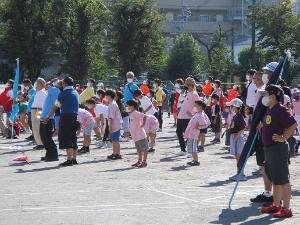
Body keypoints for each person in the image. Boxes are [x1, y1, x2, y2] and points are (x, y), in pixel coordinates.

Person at [259, 85, 296, 218]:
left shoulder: (280, 109)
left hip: (278, 148)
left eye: (265, 94)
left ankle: (286, 208)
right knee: (275, 178)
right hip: (270, 148)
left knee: (283, 178)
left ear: (273, 96)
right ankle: (276, 205)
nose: (263, 97)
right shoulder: (270, 109)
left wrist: (284, 137)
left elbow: (292, 124)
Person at [45, 77, 79, 167]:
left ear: (65, 84)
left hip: (66, 116)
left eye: (62, 83)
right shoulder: (75, 92)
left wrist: (48, 116)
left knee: (66, 137)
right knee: (73, 136)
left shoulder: (63, 93)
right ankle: (74, 159)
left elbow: (56, 106)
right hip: (75, 116)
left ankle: (69, 160)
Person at [176, 77, 200, 155]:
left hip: (187, 118)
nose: (185, 86)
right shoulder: (187, 93)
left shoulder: (194, 94)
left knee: (189, 134)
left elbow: (199, 106)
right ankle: (183, 150)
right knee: (179, 132)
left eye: (186, 84)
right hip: (180, 117)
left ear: (190, 85)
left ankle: (190, 151)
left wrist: (193, 114)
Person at [39, 79, 61, 162]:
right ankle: (49, 154)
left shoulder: (55, 90)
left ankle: (53, 155)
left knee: (47, 137)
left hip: (48, 117)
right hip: (45, 116)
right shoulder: (51, 91)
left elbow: (45, 85)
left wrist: (49, 82)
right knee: (43, 137)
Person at [184, 100, 211, 166]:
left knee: (193, 148)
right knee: (192, 148)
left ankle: (196, 161)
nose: (195, 107)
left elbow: (205, 124)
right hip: (191, 133)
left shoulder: (201, 114)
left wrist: (198, 126)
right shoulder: (198, 113)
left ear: (200, 107)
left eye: (196, 106)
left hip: (194, 134)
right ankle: (194, 159)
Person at [226, 98, 247, 181]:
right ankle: (239, 172)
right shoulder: (236, 115)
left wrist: (239, 134)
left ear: (235, 106)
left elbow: (244, 126)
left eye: (231, 106)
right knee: (237, 156)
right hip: (234, 137)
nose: (230, 108)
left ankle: (241, 173)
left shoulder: (239, 115)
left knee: (239, 156)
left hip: (237, 137)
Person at [127, 100, 148, 168]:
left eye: (129, 105)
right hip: (135, 135)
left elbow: (144, 116)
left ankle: (144, 161)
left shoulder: (135, 112)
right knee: (138, 149)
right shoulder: (131, 113)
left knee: (144, 149)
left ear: (133, 106)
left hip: (140, 134)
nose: (128, 107)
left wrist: (143, 124)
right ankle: (139, 161)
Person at [105, 90, 122, 160]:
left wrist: (110, 127)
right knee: (115, 140)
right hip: (116, 124)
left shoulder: (112, 104)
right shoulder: (113, 103)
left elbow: (111, 118)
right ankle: (115, 153)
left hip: (114, 125)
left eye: (106, 95)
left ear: (109, 96)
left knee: (115, 140)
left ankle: (117, 154)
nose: (105, 97)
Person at [31, 78, 47, 150]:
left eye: (38, 84)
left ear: (42, 84)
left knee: (37, 126)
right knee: (35, 126)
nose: (36, 85)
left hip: (38, 110)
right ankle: (39, 142)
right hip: (35, 109)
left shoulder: (43, 93)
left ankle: (40, 143)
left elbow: (44, 103)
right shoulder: (38, 92)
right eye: (36, 83)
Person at [123, 72, 139, 138]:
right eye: (128, 77)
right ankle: (130, 132)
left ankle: (135, 132)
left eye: (130, 77)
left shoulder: (135, 86)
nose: (129, 78)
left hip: (132, 104)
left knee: (133, 118)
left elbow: (138, 95)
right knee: (128, 118)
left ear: (133, 78)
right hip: (126, 104)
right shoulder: (126, 85)